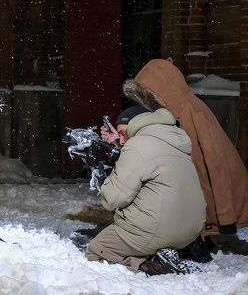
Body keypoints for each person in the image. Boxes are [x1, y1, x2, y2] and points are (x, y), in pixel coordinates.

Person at [123, 59, 248, 253]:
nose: (149, 101)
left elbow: (217, 165)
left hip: (209, 191)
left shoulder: (194, 113)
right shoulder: (170, 114)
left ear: (163, 89)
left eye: (150, 95)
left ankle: (212, 236)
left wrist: (226, 222)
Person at [86, 105, 206, 275]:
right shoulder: (173, 139)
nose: (120, 140)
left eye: (122, 133)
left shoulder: (137, 146)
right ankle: (164, 254)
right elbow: (150, 161)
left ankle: (152, 264)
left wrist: (104, 181)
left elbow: (114, 199)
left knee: (96, 251)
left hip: (157, 230)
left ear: (136, 124)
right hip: (191, 231)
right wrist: (123, 145)